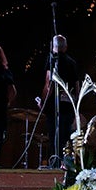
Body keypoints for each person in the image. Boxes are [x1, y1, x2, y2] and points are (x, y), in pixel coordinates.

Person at [39, 35, 79, 164]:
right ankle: (65, 165)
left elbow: (48, 83)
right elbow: (77, 86)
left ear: (52, 46)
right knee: (66, 137)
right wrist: (76, 106)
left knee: (54, 137)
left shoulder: (51, 60)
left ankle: (55, 163)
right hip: (68, 104)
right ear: (65, 47)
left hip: (53, 105)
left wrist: (43, 102)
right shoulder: (72, 62)